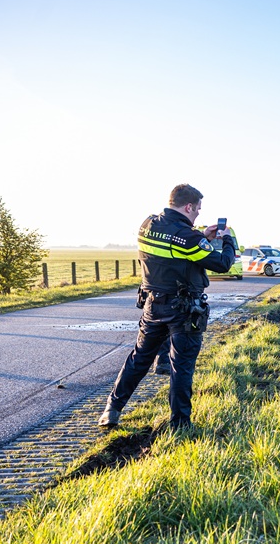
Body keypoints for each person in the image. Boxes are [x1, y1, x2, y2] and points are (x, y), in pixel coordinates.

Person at [98, 184, 236, 430]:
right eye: (197, 211)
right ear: (189, 206)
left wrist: (203, 237)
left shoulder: (148, 225)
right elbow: (223, 264)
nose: (197, 216)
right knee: (181, 366)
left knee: (138, 359)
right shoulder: (190, 237)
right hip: (184, 311)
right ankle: (180, 424)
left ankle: (112, 409)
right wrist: (227, 240)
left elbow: (172, 250)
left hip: (153, 305)